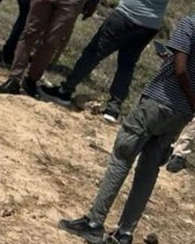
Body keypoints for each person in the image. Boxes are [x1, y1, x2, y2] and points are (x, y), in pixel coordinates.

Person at [58, 13, 195, 244]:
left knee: (122, 158)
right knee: (149, 172)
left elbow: (180, 69)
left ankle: (94, 221)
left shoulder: (190, 23)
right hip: (180, 114)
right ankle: (125, 233)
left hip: (159, 101)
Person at [41, 0, 184, 122]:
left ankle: (65, 90)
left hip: (127, 14)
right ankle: (113, 108)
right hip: (151, 23)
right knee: (127, 64)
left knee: (94, 52)